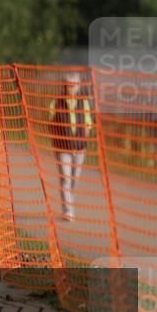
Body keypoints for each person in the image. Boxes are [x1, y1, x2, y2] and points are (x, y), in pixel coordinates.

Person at [49, 72, 93, 221]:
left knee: (74, 179)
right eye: (69, 85)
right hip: (63, 148)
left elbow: (88, 123)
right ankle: (68, 210)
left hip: (80, 148)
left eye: (74, 85)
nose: (72, 88)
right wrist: (57, 138)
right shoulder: (56, 102)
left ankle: (69, 203)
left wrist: (84, 138)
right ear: (64, 85)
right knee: (66, 179)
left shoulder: (84, 102)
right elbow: (51, 123)